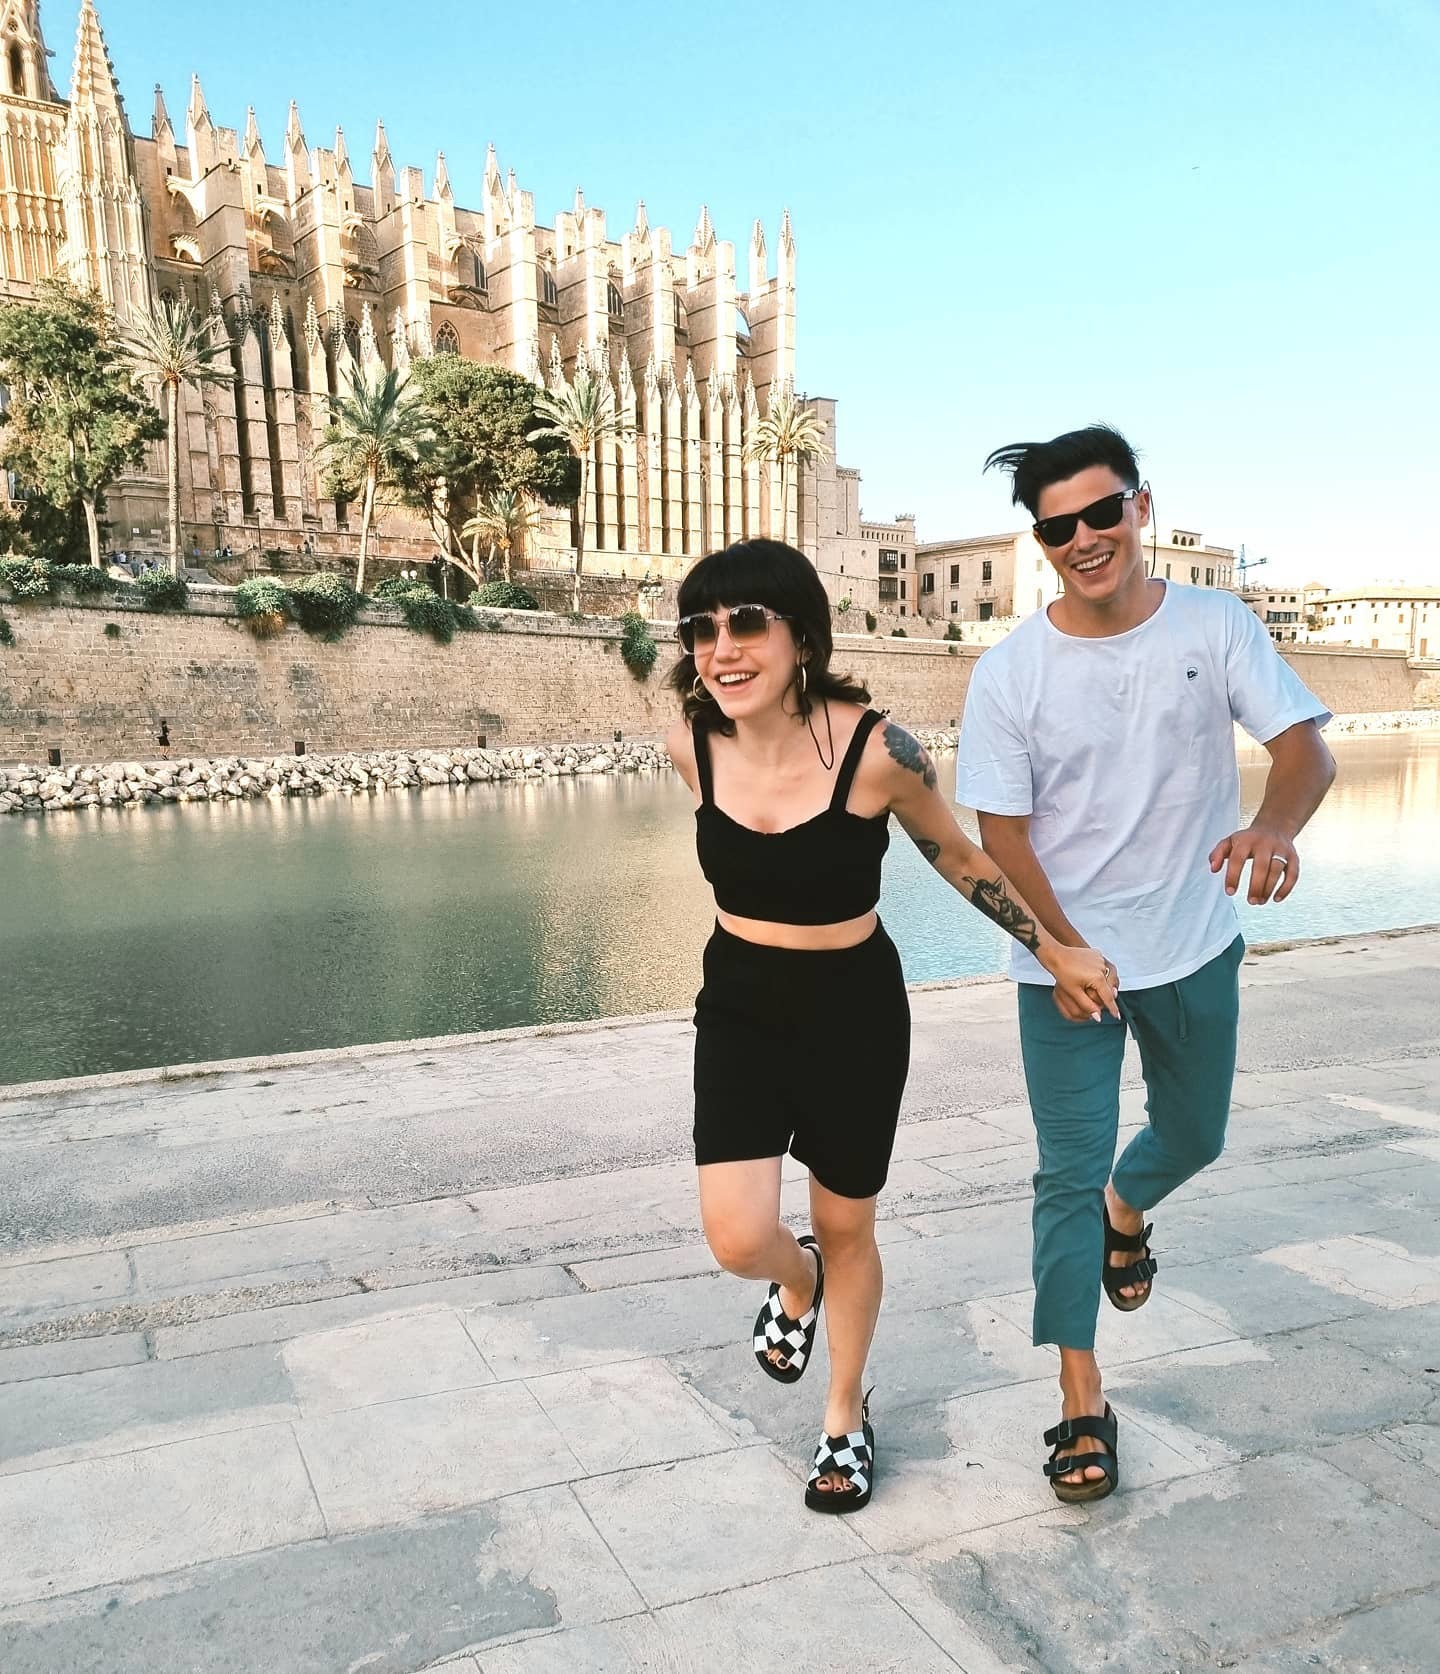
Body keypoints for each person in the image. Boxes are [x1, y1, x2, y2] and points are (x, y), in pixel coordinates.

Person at [666, 538, 1118, 1513]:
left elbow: (960, 858)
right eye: (701, 629)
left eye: (747, 623)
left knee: (847, 1224)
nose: (721, 648)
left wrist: (1054, 951)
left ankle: (844, 1414)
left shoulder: (880, 752)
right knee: (738, 1237)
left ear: (802, 637)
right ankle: (796, 1284)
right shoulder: (690, 745)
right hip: (738, 1006)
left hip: (852, 1013)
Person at [957, 425, 1336, 1503]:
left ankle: (1128, 1213)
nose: (1084, 539)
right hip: (1064, 967)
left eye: (1101, 512)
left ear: (1140, 508)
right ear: (1040, 544)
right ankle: (1081, 1395)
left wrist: (1273, 825)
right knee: (1064, 1176)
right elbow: (1002, 834)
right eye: (1057, 528)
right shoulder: (1010, 672)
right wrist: (1059, 948)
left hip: (1193, 942)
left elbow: (1305, 750)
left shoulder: (1216, 625)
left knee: (1195, 1134)